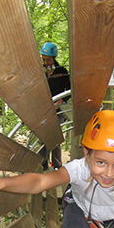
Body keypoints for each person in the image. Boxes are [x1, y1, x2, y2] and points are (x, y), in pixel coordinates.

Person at [40, 42, 71, 170]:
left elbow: (69, 90)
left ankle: (57, 165)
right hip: (42, 109)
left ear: (54, 58)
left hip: (58, 110)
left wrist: (60, 102)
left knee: (56, 137)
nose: (46, 62)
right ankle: (42, 164)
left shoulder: (62, 72)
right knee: (42, 137)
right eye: (44, 59)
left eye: (48, 59)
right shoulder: (40, 71)